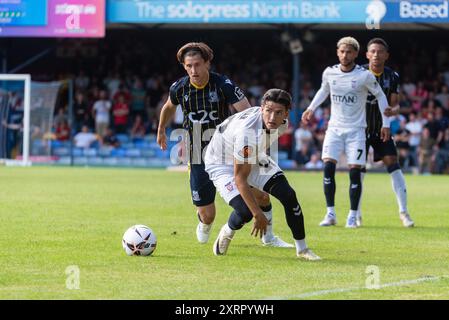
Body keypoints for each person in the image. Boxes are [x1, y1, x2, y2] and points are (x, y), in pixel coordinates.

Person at [157, 42, 291, 247]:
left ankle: (269, 237)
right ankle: (204, 222)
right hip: (198, 155)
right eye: (189, 66)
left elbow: (247, 112)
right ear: (184, 67)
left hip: (230, 151)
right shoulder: (179, 88)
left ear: (207, 63)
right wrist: (161, 130)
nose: (194, 70)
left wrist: (255, 142)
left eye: (198, 64)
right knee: (208, 214)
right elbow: (168, 107)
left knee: (262, 196)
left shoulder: (223, 85)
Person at [205, 89, 320, 260]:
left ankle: (301, 249)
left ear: (287, 113)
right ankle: (227, 232)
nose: (272, 118)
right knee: (245, 211)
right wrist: (257, 214)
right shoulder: (247, 133)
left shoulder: (283, 125)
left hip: (251, 154)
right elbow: (240, 179)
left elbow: (261, 143)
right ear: (261, 109)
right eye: (268, 111)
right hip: (221, 163)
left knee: (287, 195)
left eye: (278, 112)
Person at [302, 36, 391, 228]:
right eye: (342, 51)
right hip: (334, 128)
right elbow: (323, 91)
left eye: (349, 52)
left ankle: (352, 215)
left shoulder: (364, 75)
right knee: (327, 168)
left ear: (356, 54)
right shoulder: (329, 73)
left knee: (354, 172)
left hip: (356, 131)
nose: (345, 55)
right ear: (337, 52)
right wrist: (311, 108)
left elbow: (381, 96)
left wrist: (386, 124)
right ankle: (330, 213)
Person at [358, 38, 415, 227]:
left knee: (393, 164)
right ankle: (355, 214)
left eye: (380, 51)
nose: (376, 55)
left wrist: (393, 111)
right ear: (367, 54)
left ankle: (404, 213)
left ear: (386, 55)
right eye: (372, 51)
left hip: (382, 128)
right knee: (358, 169)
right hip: (359, 129)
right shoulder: (357, 73)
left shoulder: (392, 76)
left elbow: (395, 104)